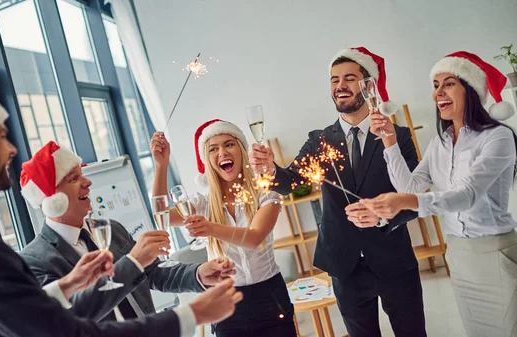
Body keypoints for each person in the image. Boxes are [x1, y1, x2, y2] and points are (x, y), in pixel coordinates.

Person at [0, 80, 242, 337]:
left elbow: (30, 314)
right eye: (1, 138)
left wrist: (69, 284)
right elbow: (62, 328)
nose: (12, 149)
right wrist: (192, 315)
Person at [250, 47, 427, 337]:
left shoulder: (399, 136)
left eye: (349, 78)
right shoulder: (319, 141)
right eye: (334, 80)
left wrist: (382, 218)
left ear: (368, 85)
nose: (339, 86)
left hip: (394, 260)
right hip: (344, 266)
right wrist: (270, 169)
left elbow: (414, 197)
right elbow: (290, 182)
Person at [360, 51, 517, 337]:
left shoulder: (498, 137)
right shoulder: (440, 143)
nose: (438, 93)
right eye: (435, 85)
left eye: (449, 83)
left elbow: (467, 195)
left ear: (471, 90)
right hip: (458, 255)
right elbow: (409, 187)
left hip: (495, 254)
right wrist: (389, 141)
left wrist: (406, 203)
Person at [19, 140, 237, 323]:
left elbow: (153, 274)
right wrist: (133, 261)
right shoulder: (33, 260)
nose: (87, 182)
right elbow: (72, 315)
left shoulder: (110, 229)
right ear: (52, 200)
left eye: (82, 174)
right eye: (74, 179)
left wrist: (199, 273)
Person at [150, 119, 297, 337]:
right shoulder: (202, 203)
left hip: (271, 297)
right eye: (213, 148)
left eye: (229, 144)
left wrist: (210, 228)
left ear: (242, 150)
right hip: (226, 302)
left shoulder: (266, 193)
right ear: (207, 160)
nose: (222, 152)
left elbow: (254, 238)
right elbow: (160, 215)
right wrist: (161, 166)